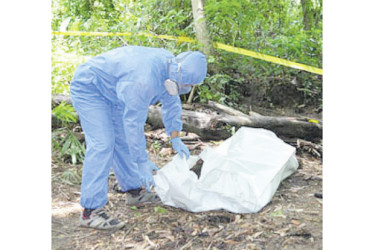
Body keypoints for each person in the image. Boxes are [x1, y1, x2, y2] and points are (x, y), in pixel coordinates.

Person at [69, 45, 207, 230]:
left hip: (115, 94)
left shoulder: (171, 71)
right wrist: (141, 161)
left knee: (122, 142)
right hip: (90, 89)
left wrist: (175, 136)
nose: (188, 88)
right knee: (103, 144)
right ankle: (90, 212)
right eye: (188, 84)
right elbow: (133, 125)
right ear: (179, 72)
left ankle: (134, 191)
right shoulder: (143, 81)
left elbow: (172, 102)